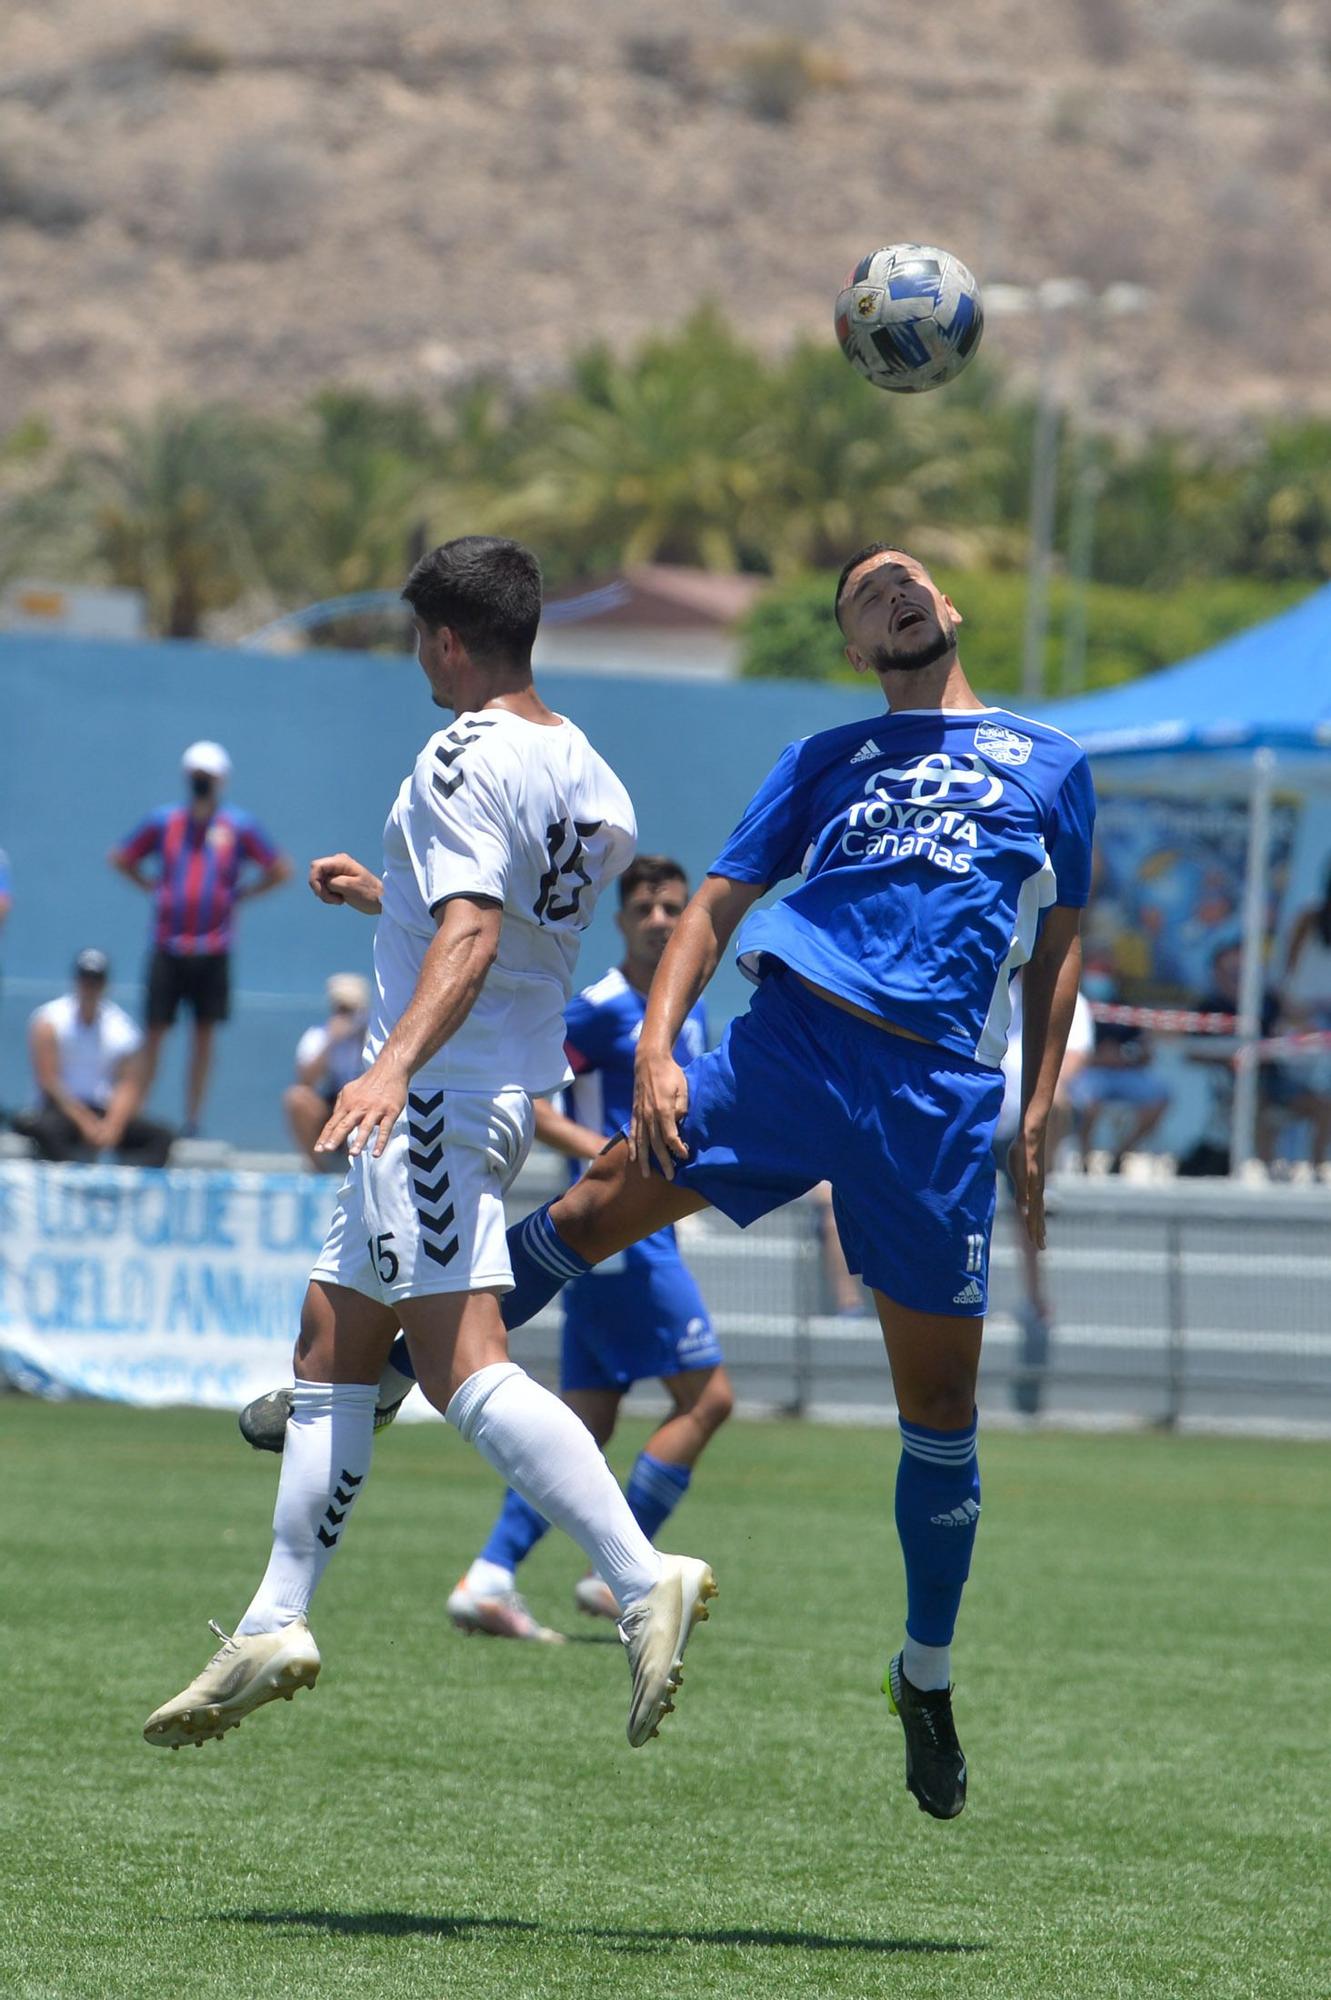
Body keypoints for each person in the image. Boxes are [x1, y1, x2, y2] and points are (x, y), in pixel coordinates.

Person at [479, 544, 1093, 1820]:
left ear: (949, 606)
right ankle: (383, 1366)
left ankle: (923, 1672)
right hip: (788, 1046)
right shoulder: (823, 759)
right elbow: (706, 910)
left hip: (931, 1099)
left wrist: (1033, 1108)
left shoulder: (1049, 761)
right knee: (591, 1207)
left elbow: (1060, 939)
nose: (893, 590)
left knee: (939, 1405)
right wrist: (655, 1048)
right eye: (864, 594)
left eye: (906, 575)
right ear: (856, 650)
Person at [143, 536, 717, 1756]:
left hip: (440, 1093)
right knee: (329, 1340)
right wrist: (386, 897)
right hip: (485, 1080)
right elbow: (507, 921)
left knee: (461, 1368)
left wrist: (392, 1063)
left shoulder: (460, 751)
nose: (416, 658)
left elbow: (470, 924)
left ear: (448, 639)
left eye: (417, 637)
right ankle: (272, 1618)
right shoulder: (587, 768)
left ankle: (634, 1570)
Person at [446, 854, 732, 1642]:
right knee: (707, 1400)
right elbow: (529, 1096)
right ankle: (623, 1578)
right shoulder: (603, 1008)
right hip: (622, 1237)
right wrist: (608, 1148)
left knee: (589, 1420)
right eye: (644, 908)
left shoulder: (681, 1007)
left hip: (629, 1237)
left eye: (673, 907)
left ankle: (490, 1576)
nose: (661, 920)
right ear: (621, 919)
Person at [109, 741, 291, 1136]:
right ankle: (131, 1116)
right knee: (154, 1032)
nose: (201, 784)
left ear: (221, 781)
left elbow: (279, 868)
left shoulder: (238, 826)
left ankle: (192, 1119)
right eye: (196, 777)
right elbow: (122, 857)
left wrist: (240, 896)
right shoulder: (164, 822)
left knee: (203, 1036)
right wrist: (153, 887)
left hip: (214, 946)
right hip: (168, 943)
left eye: (206, 778)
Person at [993, 973, 1094, 1414]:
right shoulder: (988, 988)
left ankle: (1036, 1299)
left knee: (1027, 1207)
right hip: (983, 1117)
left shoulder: (1067, 998)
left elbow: (1074, 1059)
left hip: (1027, 1125)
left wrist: (1037, 1100)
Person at [13, 949, 173, 1166]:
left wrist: (113, 1125)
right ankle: (71, 1187)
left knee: (161, 1138)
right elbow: (48, 1080)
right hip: (62, 1111)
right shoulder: (49, 1020)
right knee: (47, 1132)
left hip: (103, 1112)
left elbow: (129, 1083)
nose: (90, 988)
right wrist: (84, 1121)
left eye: (95, 981)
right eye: (85, 980)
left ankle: (123, 1189)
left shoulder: (121, 1027)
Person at [1064, 959, 1170, 1171]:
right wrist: (1099, 1058)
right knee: (1087, 1102)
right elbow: (1070, 1052)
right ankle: (1084, 1158)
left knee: (1159, 1095)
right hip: (1089, 1071)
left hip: (1125, 1072)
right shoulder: (1076, 1004)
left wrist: (1123, 1057)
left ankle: (1120, 1153)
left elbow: (1146, 1052)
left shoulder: (1125, 1006)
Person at [285, 973, 372, 1169]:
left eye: (348, 1010)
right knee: (296, 1098)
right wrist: (331, 1041)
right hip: (332, 1103)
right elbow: (305, 1079)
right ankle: (320, 1167)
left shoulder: (375, 1038)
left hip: (365, 1104)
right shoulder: (319, 1035)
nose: (343, 1016)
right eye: (339, 1009)